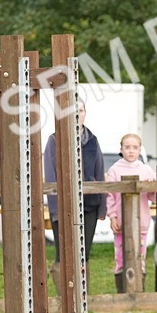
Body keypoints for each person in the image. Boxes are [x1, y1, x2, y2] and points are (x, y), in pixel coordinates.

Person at [43, 99, 105, 264]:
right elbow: (50, 176)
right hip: (64, 207)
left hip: (90, 205)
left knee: (84, 255)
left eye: (81, 110)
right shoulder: (54, 140)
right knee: (63, 256)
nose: (77, 114)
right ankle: (63, 290)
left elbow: (99, 174)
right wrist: (56, 210)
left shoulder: (93, 140)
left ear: (85, 113)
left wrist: (102, 207)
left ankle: (83, 290)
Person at [105, 133, 156, 293]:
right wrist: (112, 216)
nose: (131, 151)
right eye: (127, 147)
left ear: (140, 149)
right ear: (121, 149)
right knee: (120, 257)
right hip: (121, 222)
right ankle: (122, 292)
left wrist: (151, 187)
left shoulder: (146, 170)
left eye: (135, 147)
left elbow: (153, 196)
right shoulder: (114, 170)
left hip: (141, 223)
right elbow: (109, 196)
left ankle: (139, 291)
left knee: (140, 256)